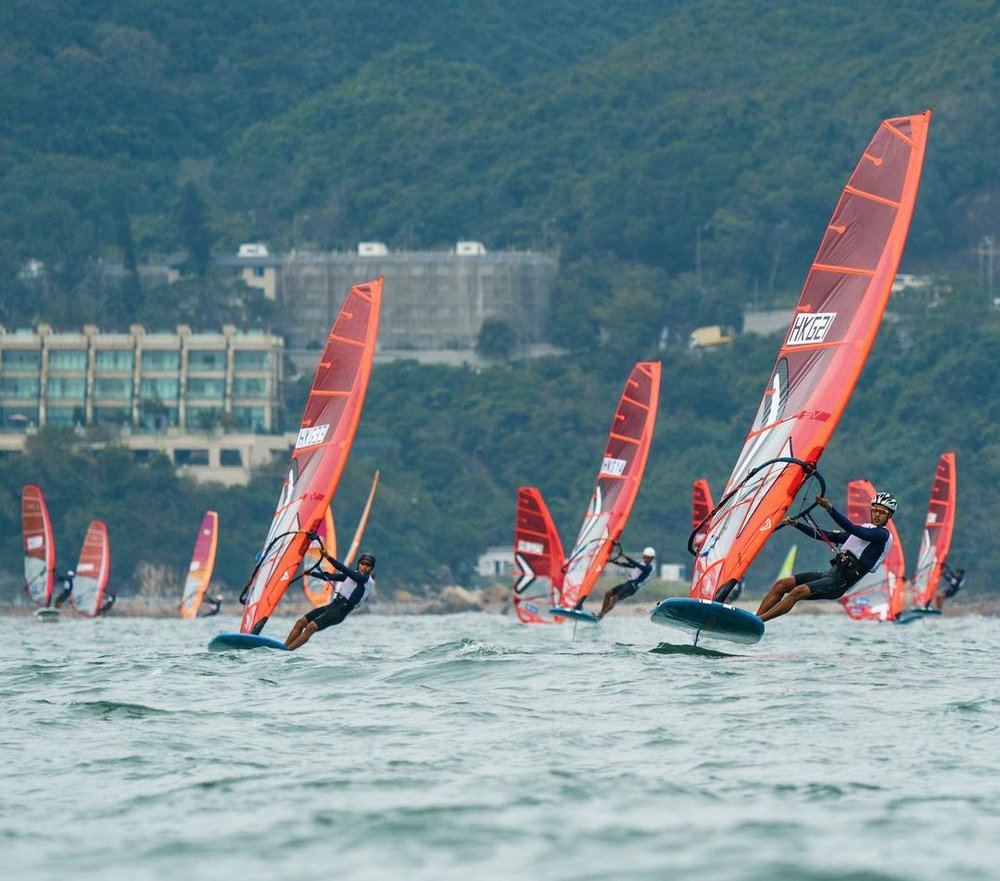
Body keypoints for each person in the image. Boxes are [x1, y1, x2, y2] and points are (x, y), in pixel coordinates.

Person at [755, 492, 895, 623]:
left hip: (837, 585)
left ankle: (759, 621)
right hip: (828, 575)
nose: (877, 514)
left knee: (799, 591)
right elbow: (826, 536)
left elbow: (853, 529)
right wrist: (797, 525)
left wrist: (829, 508)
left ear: (889, 516)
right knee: (782, 584)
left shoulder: (882, 536)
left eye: (882, 512)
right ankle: (754, 618)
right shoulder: (864, 531)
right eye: (874, 510)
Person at [284, 550, 376, 650]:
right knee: (301, 622)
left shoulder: (365, 580)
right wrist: (311, 573)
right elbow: (331, 577)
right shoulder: (352, 576)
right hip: (332, 606)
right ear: (359, 564)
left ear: (371, 568)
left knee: (311, 627)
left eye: (368, 565)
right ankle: (283, 647)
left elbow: (344, 569)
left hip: (339, 612)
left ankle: (287, 651)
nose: (365, 566)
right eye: (362, 563)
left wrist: (328, 557)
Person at [597, 547, 655, 619]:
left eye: (648, 558)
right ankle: (601, 612)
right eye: (645, 557)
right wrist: (612, 561)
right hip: (627, 584)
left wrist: (625, 556)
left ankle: (601, 615)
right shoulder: (641, 564)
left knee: (614, 599)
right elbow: (627, 565)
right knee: (608, 593)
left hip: (632, 588)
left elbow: (636, 564)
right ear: (643, 556)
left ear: (652, 559)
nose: (646, 559)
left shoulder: (649, 568)